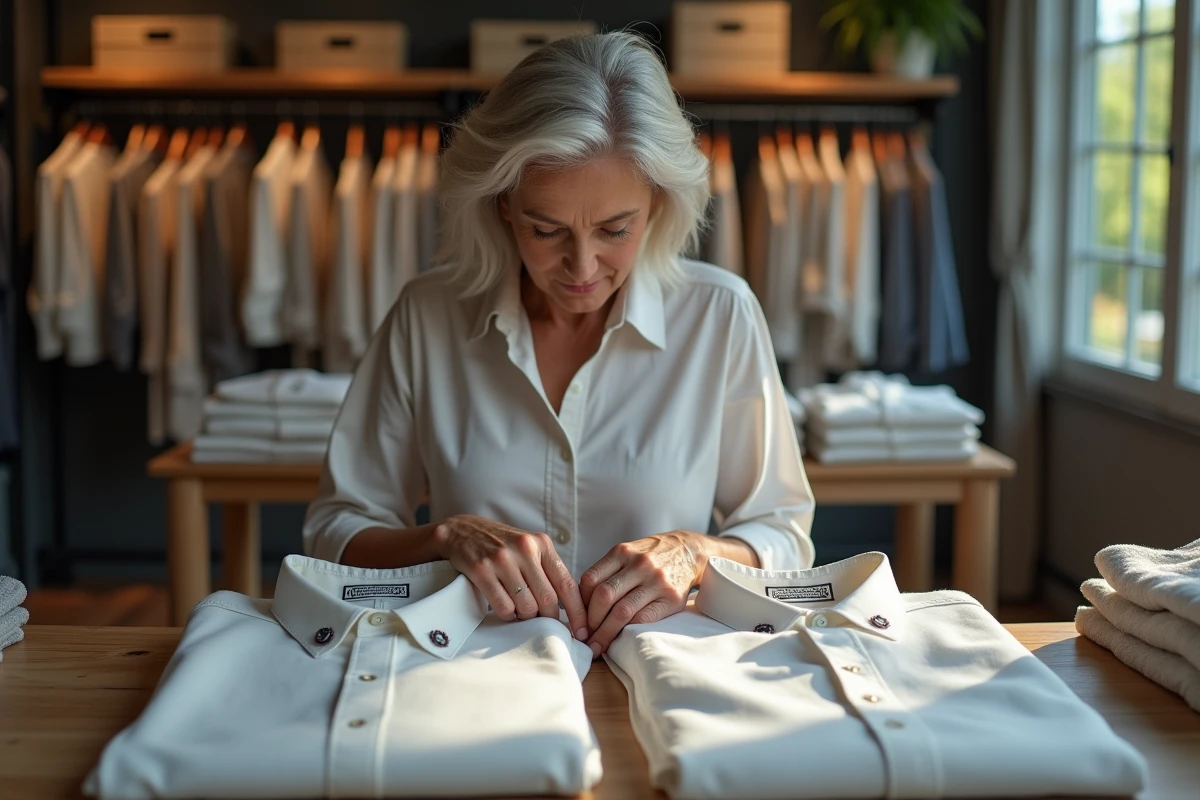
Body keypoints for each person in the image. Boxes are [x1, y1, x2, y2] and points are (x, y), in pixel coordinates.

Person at [302, 31, 814, 658]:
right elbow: (334, 530)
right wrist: (447, 536)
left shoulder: (720, 315)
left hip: (663, 671)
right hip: (470, 671)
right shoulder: (427, 316)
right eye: (547, 230)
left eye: (613, 229)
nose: (582, 265)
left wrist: (695, 553)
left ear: (656, 205)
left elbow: (783, 531)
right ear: (502, 207)